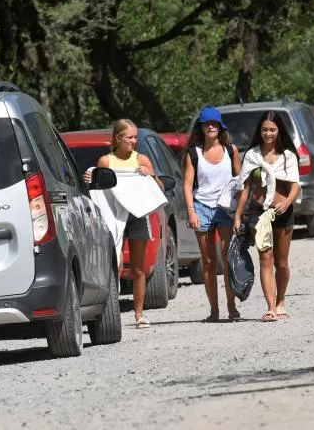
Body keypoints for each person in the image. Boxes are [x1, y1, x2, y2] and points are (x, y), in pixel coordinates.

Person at [82, 119, 163, 329]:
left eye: (135, 137)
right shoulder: (105, 162)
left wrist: (151, 175)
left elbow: (159, 189)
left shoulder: (141, 159)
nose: (134, 141)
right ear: (118, 138)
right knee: (112, 265)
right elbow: (97, 193)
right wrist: (89, 179)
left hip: (137, 215)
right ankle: (111, 313)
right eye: (130, 137)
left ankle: (139, 314)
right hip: (111, 215)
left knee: (138, 268)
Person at [233, 111, 301, 322]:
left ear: (279, 131)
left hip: (282, 212)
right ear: (259, 131)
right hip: (258, 211)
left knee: (281, 262)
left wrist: (287, 202)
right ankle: (270, 307)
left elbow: (295, 186)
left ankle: (281, 301)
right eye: (264, 130)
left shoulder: (288, 156)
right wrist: (238, 216)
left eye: (272, 129)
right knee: (265, 258)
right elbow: (245, 188)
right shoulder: (252, 155)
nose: (268, 133)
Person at [183, 106, 242, 322]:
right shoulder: (194, 154)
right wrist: (191, 211)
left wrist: (241, 212)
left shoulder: (231, 151)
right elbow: (188, 186)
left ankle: (231, 306)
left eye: (214, 123)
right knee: (208, 261)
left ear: (220, 126)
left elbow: (241, 180)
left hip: (225, 208)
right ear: (201, 127)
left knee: (227, 258)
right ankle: (214, 310)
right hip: (201, 207)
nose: (210, 126)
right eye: (206, 123)